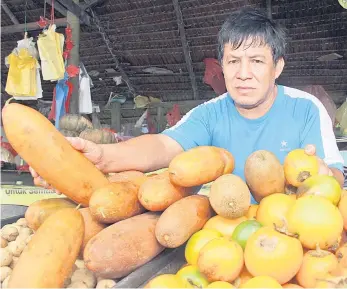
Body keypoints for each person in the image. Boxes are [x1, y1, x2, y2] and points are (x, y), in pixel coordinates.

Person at [30, 7, 344, 204]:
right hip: (224, 240)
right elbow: (162, 146)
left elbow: (337, 178)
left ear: (277, 67)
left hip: (294, 238)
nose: (243, 73)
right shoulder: (210, 114)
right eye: (233, 61)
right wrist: (103, 156)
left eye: (257, 61)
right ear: (222, 65)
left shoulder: (305, 108)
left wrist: (323, 173)